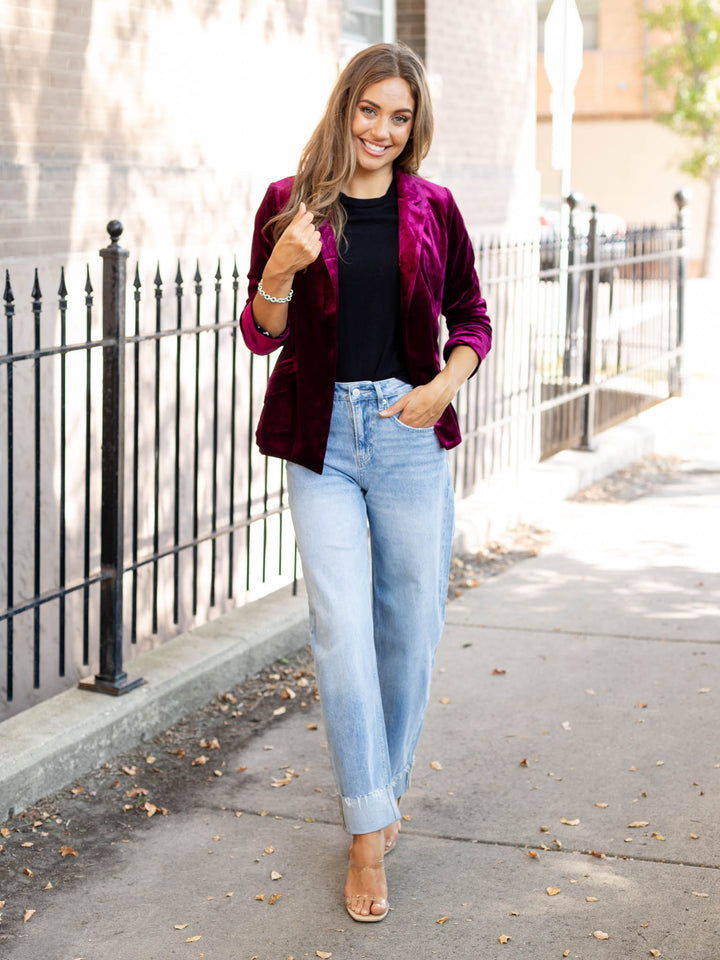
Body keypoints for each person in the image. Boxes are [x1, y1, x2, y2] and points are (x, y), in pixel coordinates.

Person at [240, 41, 491, 923]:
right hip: (324, 441)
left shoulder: (434, 207)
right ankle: (365, 831)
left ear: (413, 128)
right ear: (345, 106)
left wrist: (441, 386)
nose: (382, 130)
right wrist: (280, 269)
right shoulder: (290, 203)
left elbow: (472, 317)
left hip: (407, 430)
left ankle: (382, 789)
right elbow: (261, 333)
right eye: (370, 109)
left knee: (411, 623)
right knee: (342, 625)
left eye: (400, 117)